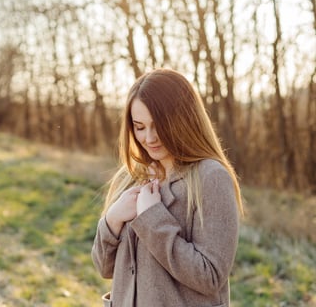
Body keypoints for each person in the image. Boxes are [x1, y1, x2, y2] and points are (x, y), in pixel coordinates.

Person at [91, 68, 244, 307]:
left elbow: (210, 276)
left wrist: (152, 217)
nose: (149, 138)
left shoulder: (211, 177)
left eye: (159, 125)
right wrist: (112, 219)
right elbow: (104, 267)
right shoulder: (133, 175)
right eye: (139, 127)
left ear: (184, 119)